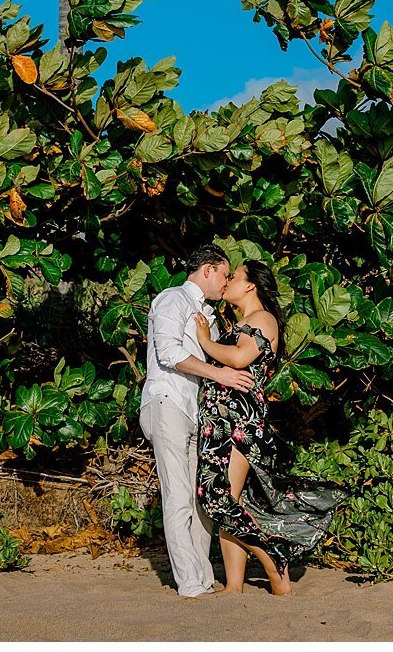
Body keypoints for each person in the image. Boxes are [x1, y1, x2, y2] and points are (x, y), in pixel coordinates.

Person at [191, 260, 348, 596]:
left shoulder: (262, 319)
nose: (227, 281)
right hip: (220, 420)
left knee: (216, 497)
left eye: (234, 276)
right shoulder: (240, 321)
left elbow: (239, 358)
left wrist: (205, 341)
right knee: (232, 500)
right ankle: (234, 585)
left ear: (250, 286)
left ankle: (273, 556)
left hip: (237, 420)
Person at [139, 244, 253, 598]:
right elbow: (170, 353)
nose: (226, 281)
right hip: (166, 401)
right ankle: (189, 583)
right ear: (207, 270)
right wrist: (221, 375)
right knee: (178, 497)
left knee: (200, 497)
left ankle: (202, 577)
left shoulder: (208, 316)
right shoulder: (172, 299)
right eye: (224, 273)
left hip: (193, 411)